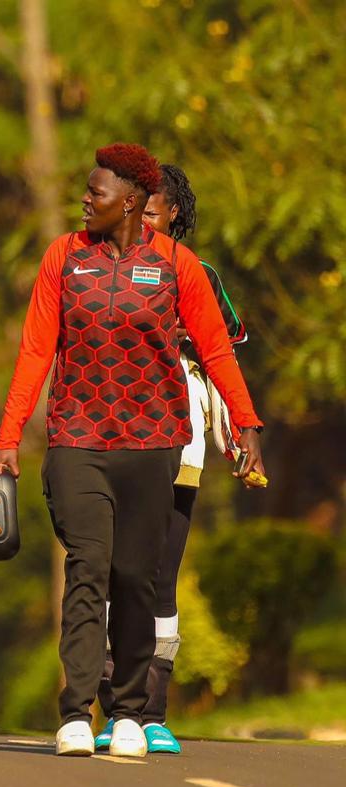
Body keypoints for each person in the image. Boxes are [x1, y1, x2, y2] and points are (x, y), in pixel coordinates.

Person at [0, 144, 266, 758]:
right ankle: (75, 712)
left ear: (132, 202)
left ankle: (131, 712)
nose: (84, 200)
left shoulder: (176, 264)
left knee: (137, 577)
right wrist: (9, 436)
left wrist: (246, 424)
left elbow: (215, 348)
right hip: (77, 440)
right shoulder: (64, 257)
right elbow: (36, 350)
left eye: (97, 193)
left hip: (153, 442)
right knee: (87, 568)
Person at [94, 163, 247, 755]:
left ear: (172, 214)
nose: (139, 222)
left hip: (179, 442)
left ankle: (152, 710)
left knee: (159, 574)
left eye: (151, 212)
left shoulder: (195, 272)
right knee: (111, 572)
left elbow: (225, 342)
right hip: (109, 437)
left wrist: (241, 429)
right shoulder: (97, 265)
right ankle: (115, 708)